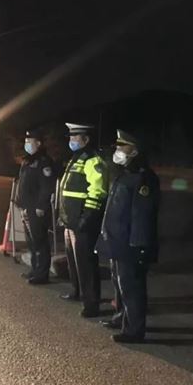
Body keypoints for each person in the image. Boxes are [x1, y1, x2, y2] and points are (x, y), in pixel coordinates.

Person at [97, 130, 159, 343]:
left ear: (134, 151)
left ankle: (134, 330)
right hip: (118, 240)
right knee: (120, 283)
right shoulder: (126, 173)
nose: (117, 150)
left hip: (130, 243)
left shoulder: (143, 177)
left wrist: (139, 245)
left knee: (132, 288)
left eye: (122, 146)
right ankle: (122, 318)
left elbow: (142, 215)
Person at [57, 123, 108, 317]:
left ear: (86, 140)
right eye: (70, 138)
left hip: (82, 222)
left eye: (75, 138)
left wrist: (87, 217)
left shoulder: (93, 160)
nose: (71, 141)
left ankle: (91, 303)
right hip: (70, 221)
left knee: (86, 263)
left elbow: (98, 191)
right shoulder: (76, 158)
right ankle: (76, 291)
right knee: (73, 260)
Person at [15, 129, 56, 284]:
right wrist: (20, 204)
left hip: (36, 208)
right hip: (26, 207)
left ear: (38, 143)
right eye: (26, 141)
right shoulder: (28, 160)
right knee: (32, 242)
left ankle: (42, 274)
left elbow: (47, 186)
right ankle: (34, 269)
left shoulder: (44, 161)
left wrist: (41, 206)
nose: (27, 144)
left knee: (40, 242)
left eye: (30, 141)